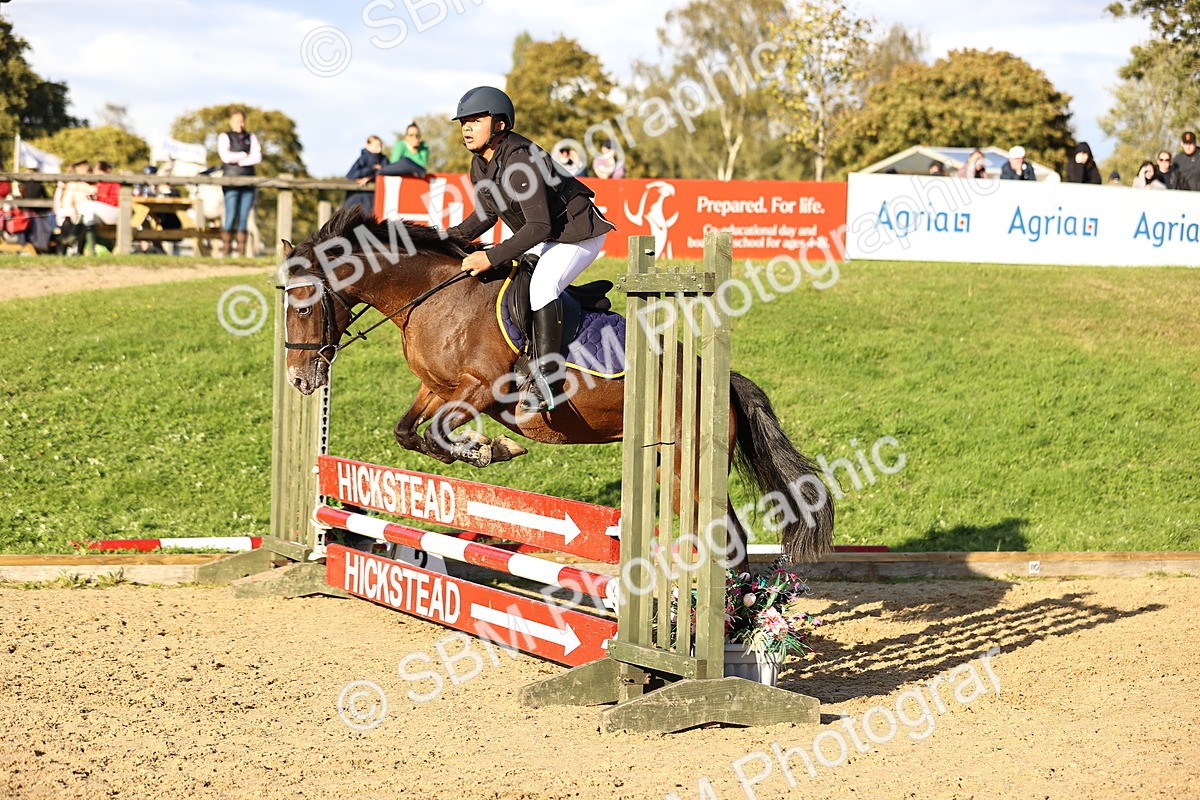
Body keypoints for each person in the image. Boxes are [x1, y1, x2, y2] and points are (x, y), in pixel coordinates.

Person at [447, 86, 615, 414]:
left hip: (578, 234)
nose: (466, 128)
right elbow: (486, 215)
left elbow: (540, 227)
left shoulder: (519, 158)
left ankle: (548, 380)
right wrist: (443, 240)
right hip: (546, 235)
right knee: (516, 281)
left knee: (541, 285)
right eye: (463, 122)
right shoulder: (479, 164)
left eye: (475, 120)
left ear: (499, 124)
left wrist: (490, 256)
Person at [217, 108, 262, 258]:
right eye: (237, 120)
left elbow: (257, 157)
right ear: (231, 121)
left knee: (244, 217)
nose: (240, 124)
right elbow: (225, 157)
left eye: (242, 120)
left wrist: (239, 160)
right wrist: (244, 155)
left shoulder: (251, 137)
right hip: (231, 180)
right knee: (230, 215)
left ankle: (241, 253)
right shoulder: (224, 136)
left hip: (248, 181)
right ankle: (225, 252)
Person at [78, 161, 121, 255]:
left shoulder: (114, 182)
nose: (95, 174)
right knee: (88, 215)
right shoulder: (100, 184)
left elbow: (115, 201)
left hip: (116, 213)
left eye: (97, 171)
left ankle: (73, 235)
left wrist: (98, 199)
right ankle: (91, 251)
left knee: (85, 205)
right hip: (104, 213)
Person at [344, 135, 388, 212]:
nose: (379, 149)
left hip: (373, 197)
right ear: (368, 145)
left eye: (380, 146)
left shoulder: (383, 159)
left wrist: (370, 178)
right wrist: (371, 170)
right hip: (358, 196)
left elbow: (387, 172)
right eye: (376, 146)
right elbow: (351, 175)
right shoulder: (363, 159)